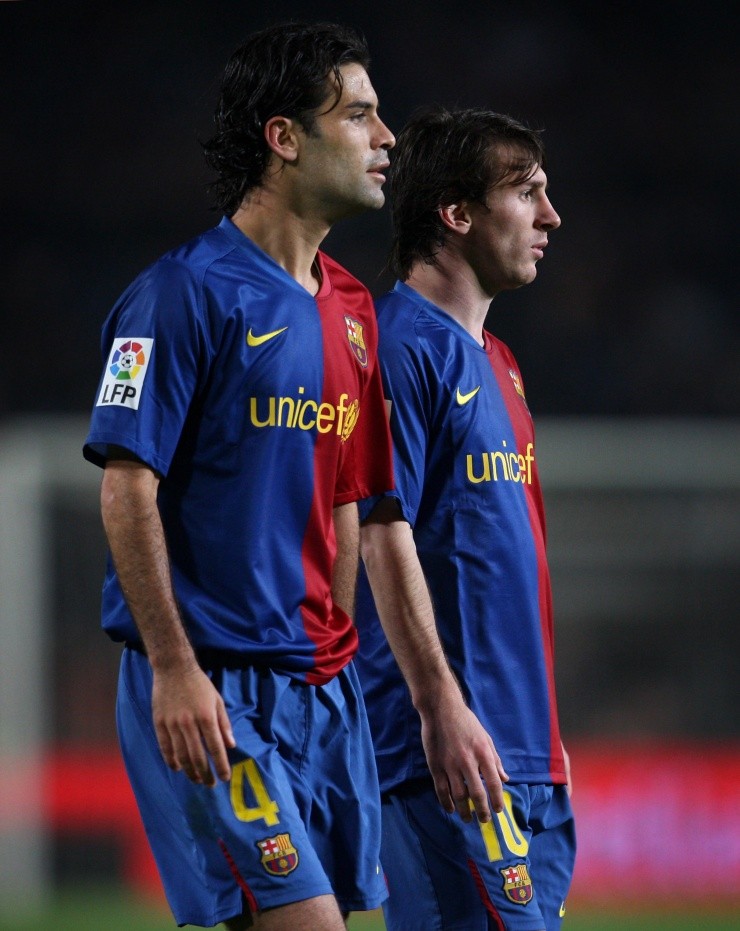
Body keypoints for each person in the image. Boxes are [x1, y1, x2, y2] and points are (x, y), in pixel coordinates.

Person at [83, 22, 395, 931]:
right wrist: (175, 669)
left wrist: (334, 667)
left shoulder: (353, 311)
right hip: (211, 684)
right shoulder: (177, 294)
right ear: (285, 136)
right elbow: (126, 484)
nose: (387, 139)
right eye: (362, 115)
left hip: (318, 692)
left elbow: (345, 498)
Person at [354, 106, 576, 931]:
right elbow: (380, 535)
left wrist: (544, 747)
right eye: (528, 193)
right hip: (446, 754)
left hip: (521, 755)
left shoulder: (502, 365)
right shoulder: (396, 349)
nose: (551, 217)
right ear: (457, 213)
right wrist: (439, 708)